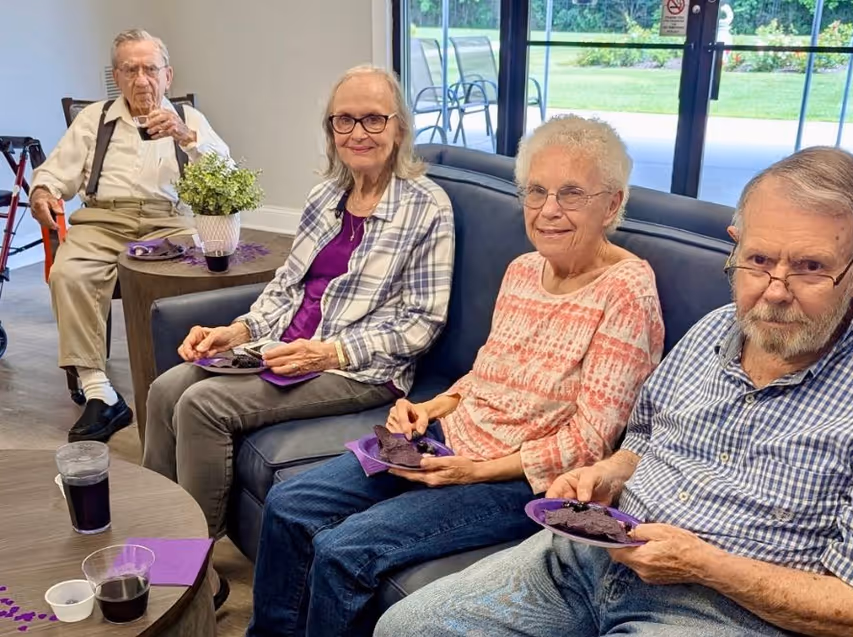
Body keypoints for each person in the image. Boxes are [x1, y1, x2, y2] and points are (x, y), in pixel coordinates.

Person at [376, 147, 853, 637]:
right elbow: (645, 440)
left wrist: (707, 567)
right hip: (587, 555)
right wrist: (607, 475)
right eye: (757, 261)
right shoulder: (713, 329)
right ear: (736, 246)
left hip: (719, 610)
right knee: (404, 628)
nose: (774, 292)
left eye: (809, 267)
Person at [245, 115, 665, 637]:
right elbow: (485, 374)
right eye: (536, 191)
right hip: (444, 442)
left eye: (571, 194)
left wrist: (473, 471)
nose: (548, 210)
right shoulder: (522, 269)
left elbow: (590, 442)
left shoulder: (627, 291)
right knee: (290, 505)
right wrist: (431, 408)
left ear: (613, 204)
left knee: (343, 551)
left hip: (518, 481)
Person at [141, 65, 455, 605]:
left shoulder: (428, 209)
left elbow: (421, 323)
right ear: (331, 130)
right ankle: (155, 541)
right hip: (282, 350)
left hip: (359, 370)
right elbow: (286, 288)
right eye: (344, 121)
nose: (358, 133)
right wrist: (236, 330)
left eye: (373, 119)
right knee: (166, 387)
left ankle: (195, 575)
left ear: (399, 127)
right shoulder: (324, 197)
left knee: (202, 405)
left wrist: (329, 350)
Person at [28, 29, 231, 443]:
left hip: (167, 221)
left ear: (168, 75)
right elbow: (55, 172)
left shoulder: (188, 120)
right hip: (102, 219)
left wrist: (184, 136)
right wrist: (43, 191)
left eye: (150, 69)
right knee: (69, 274)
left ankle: (188, 377)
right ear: (116, 77)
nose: (141, 80)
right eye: (130, 69)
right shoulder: (95, 119)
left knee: (194, 278)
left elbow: (226, 174)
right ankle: (99, 391)